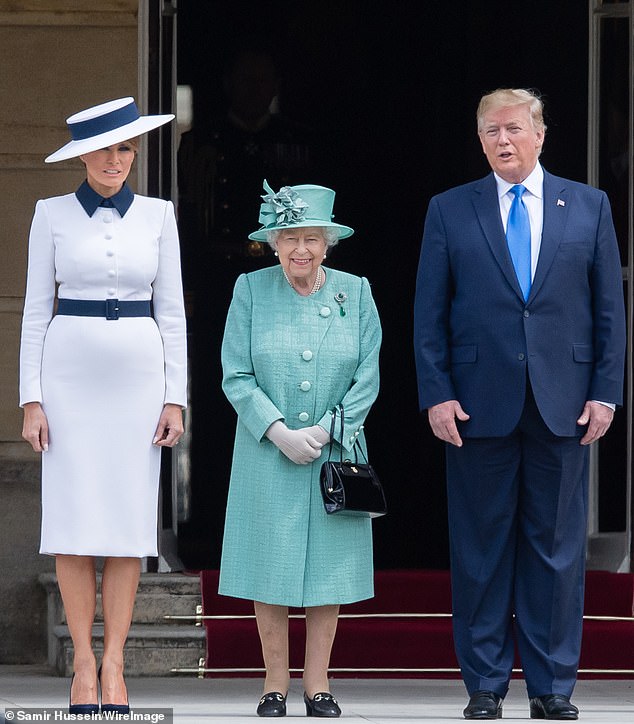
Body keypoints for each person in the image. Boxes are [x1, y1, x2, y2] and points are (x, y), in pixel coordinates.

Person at [413, 88, 626, 720]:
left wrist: (606, 391)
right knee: (480, 547)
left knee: (557, 550)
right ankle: (483, 684)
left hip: (565, 401)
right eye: (489, 132)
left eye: (512, 129)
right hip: (477, 404)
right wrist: (437, 392)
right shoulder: (451, 210)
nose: (501, 141)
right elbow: (429, 313)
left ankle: (552, 686)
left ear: (539, 134)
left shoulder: (588, 206)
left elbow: (610, 312)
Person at [19, 97, 187, 715]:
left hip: (140, 378)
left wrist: (176, 396)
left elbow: (171, 309)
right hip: (68, 377)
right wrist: (30, 397)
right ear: (82, 155)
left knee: (126, 523)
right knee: (72, 522)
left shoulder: (159, 215)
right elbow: (37, 309)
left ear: (135, 152)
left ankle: (114, 662)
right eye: (103, 148)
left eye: (125, 148)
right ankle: (82, 668)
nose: (115, 159)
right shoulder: (51, 214)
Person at [219, 180, 381, 717]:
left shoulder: (355, 292)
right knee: (270, 566)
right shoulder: (250, 289)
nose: (301, 249)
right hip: (268, 452)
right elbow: (236, 375)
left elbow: (369, 372)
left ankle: (318, 684)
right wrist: (279, 431)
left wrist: (335, 426)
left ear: (328, 243)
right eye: (290, 237)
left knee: (328, 570)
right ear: (273, 242)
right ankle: (273, 682)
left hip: (336, 453)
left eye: (312, 238)